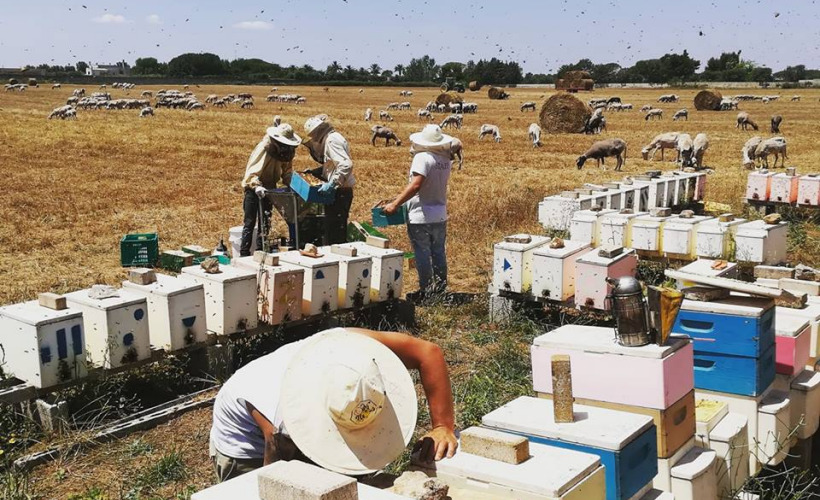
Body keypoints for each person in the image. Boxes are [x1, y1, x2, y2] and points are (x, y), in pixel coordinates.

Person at [209, 327, 458, 482]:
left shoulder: (350, 342)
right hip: (246, 449)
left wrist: (443, 426)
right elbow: (276, 476)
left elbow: (428, 353)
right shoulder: (281, 421)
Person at [383, 124, 453, 297]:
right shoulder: (444, 159)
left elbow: (416, 185)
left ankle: (426, 291)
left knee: (422, 253)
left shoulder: (422, 157)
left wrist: (395, 204)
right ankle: (441, 289)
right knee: (438, 252)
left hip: (421, 215)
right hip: (440, 213)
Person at [240, 123, 301, 256]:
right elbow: (252, 172)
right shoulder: (264, 148)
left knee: (266, 222)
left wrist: (292, 184)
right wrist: (256, 185)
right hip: (254, 189)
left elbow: (287, 172)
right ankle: (244, 254)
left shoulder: (286, 152)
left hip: (270, 189)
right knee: (249, 222)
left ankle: (261, 252)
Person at [302, 115, 355, 245]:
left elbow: (345, 165)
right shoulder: (333, 137)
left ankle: (338, 260)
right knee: (333, 229)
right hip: (340, 191)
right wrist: (316, 172)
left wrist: (333, 183)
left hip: (340, 192)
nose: (313, 139)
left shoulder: (332, 140)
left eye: (313, 136)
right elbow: (333, 165)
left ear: (317, 131)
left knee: (335, 232)